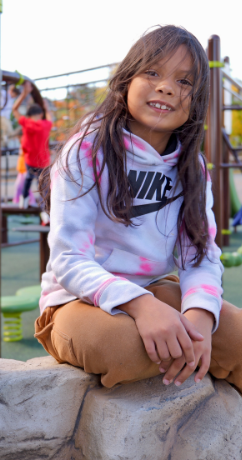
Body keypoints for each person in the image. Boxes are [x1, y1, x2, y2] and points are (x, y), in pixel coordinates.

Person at [35, 25, 242, 393]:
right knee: (123, 348)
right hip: (76, 301)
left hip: (158, 289)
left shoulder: (192, 168)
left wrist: (198, 316)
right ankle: (171, 345)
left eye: (184, 81)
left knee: (230, 336)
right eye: (152, 72)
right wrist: (143, 308)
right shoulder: (86, 151)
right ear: (126, 80)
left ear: (197, 101)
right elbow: (69, 260)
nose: (166, 87)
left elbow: (201, 257)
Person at [12, 81, 52, 210]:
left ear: (29, 115)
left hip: (30, 161)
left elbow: (14, 109)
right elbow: (50, 117)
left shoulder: (26, 123)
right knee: (43, 186)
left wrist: (24, 94)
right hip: (43, 162)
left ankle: (23, 202)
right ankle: (45, 211)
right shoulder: (46, 125)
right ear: (40, 114)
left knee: (28, 180)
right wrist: (46, 107)